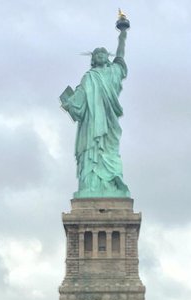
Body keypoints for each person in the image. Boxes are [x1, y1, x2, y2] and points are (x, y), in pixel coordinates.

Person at [60, 25, 130, 199]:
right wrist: (69, 103)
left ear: (107, 58)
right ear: (93, 59)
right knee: (92, 150)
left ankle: (112, 181)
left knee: (109, 150)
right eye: (97, 54)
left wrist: (122, 35)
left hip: (108, 120)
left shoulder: (113, 72)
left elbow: (120, 56)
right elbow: (79, 101)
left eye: (103, 54)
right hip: (92, 122)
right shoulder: (88, 77)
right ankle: (90, 185)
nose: (100, 56)